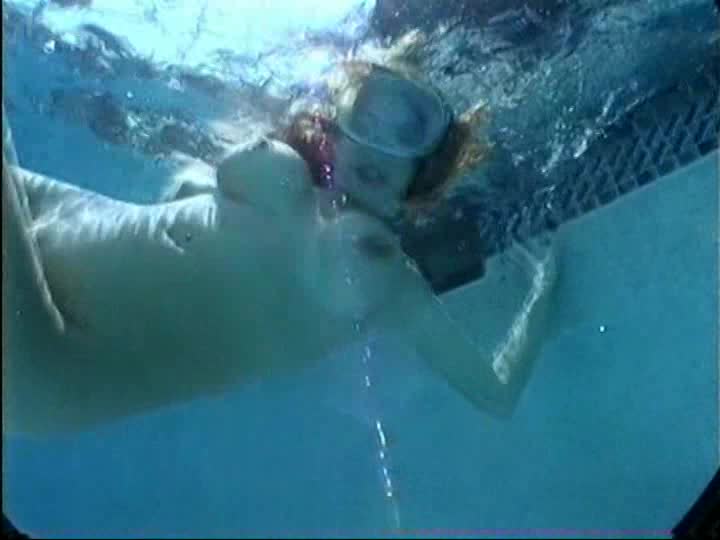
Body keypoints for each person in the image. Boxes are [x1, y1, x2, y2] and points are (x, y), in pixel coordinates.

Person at [2, 61, 557, 437]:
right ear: (337, 124)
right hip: (55, 228)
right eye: (370, 110)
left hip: (52, 361)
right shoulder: (282, 186)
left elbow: (496, 395)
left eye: (411, 125)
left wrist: (545, 290)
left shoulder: (389, 280)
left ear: (425, 167)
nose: (382, 138)